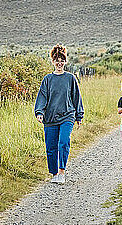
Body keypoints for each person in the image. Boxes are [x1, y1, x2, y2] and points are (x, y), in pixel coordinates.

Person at [34, 44, 84, 184]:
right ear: (53, 62)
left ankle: (62, 172)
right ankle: (54, 173)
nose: (59, 63)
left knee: (63, 142)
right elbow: (42, 97)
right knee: (51, 147)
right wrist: (39, 112)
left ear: (65, 62)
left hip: (67, 115)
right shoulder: (47, 79)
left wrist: (79, 116)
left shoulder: (70, 78)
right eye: (57, 60)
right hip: (50, 118)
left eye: (62, 60)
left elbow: (76, 97)